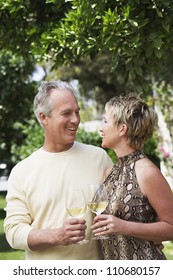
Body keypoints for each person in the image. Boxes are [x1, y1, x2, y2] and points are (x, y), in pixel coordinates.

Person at [4, 80, 112, 260]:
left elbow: (124, 205)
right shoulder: (22, 171)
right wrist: (57, 236)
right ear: (43, 117)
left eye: (77, 112)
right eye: (66, 113)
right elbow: (14, 232)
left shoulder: (99, 158)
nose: (75, 120)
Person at [91, 93, 173, 260]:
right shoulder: (110, 171)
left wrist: (124, 226)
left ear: (122, 128)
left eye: (106, 121)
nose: (101, 128)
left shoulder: (147, 171)